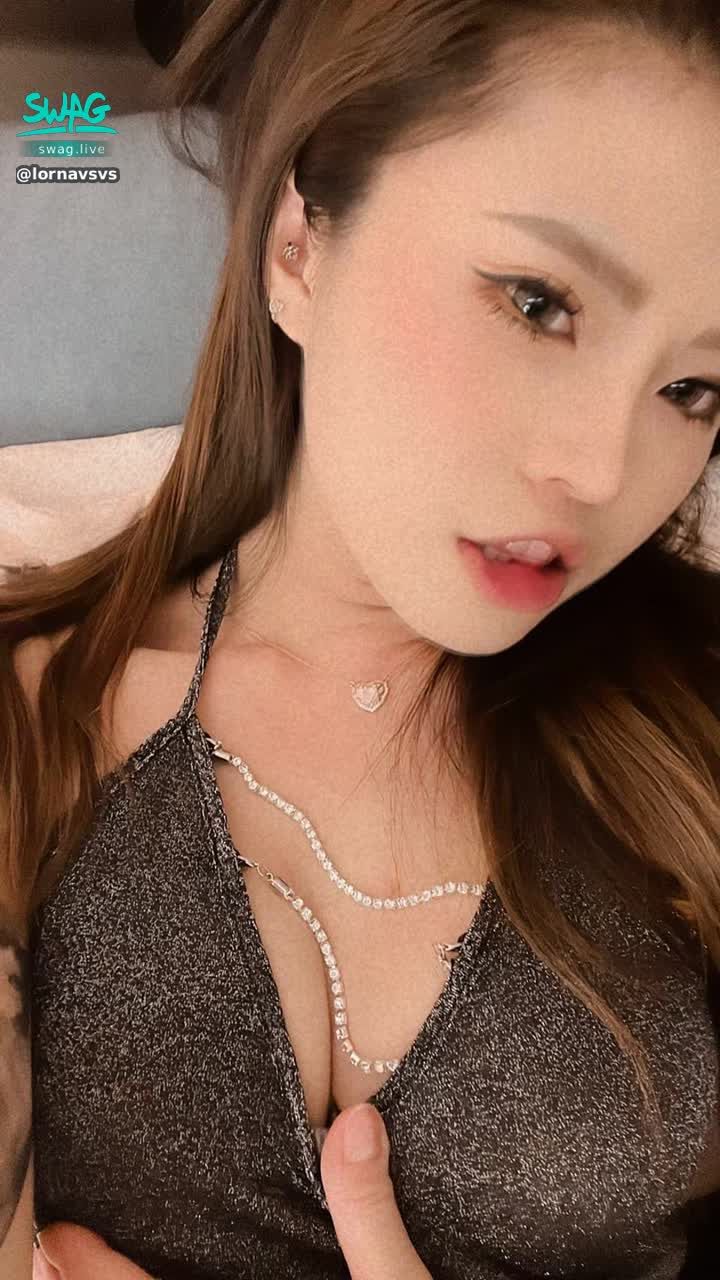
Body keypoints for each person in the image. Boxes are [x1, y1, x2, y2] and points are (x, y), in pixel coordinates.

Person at [2, 1, 720, 1276]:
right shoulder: (31, 714)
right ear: (299, 247)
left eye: (693, 387)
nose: (604, 468)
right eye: (540, 302)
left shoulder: (696, 723)